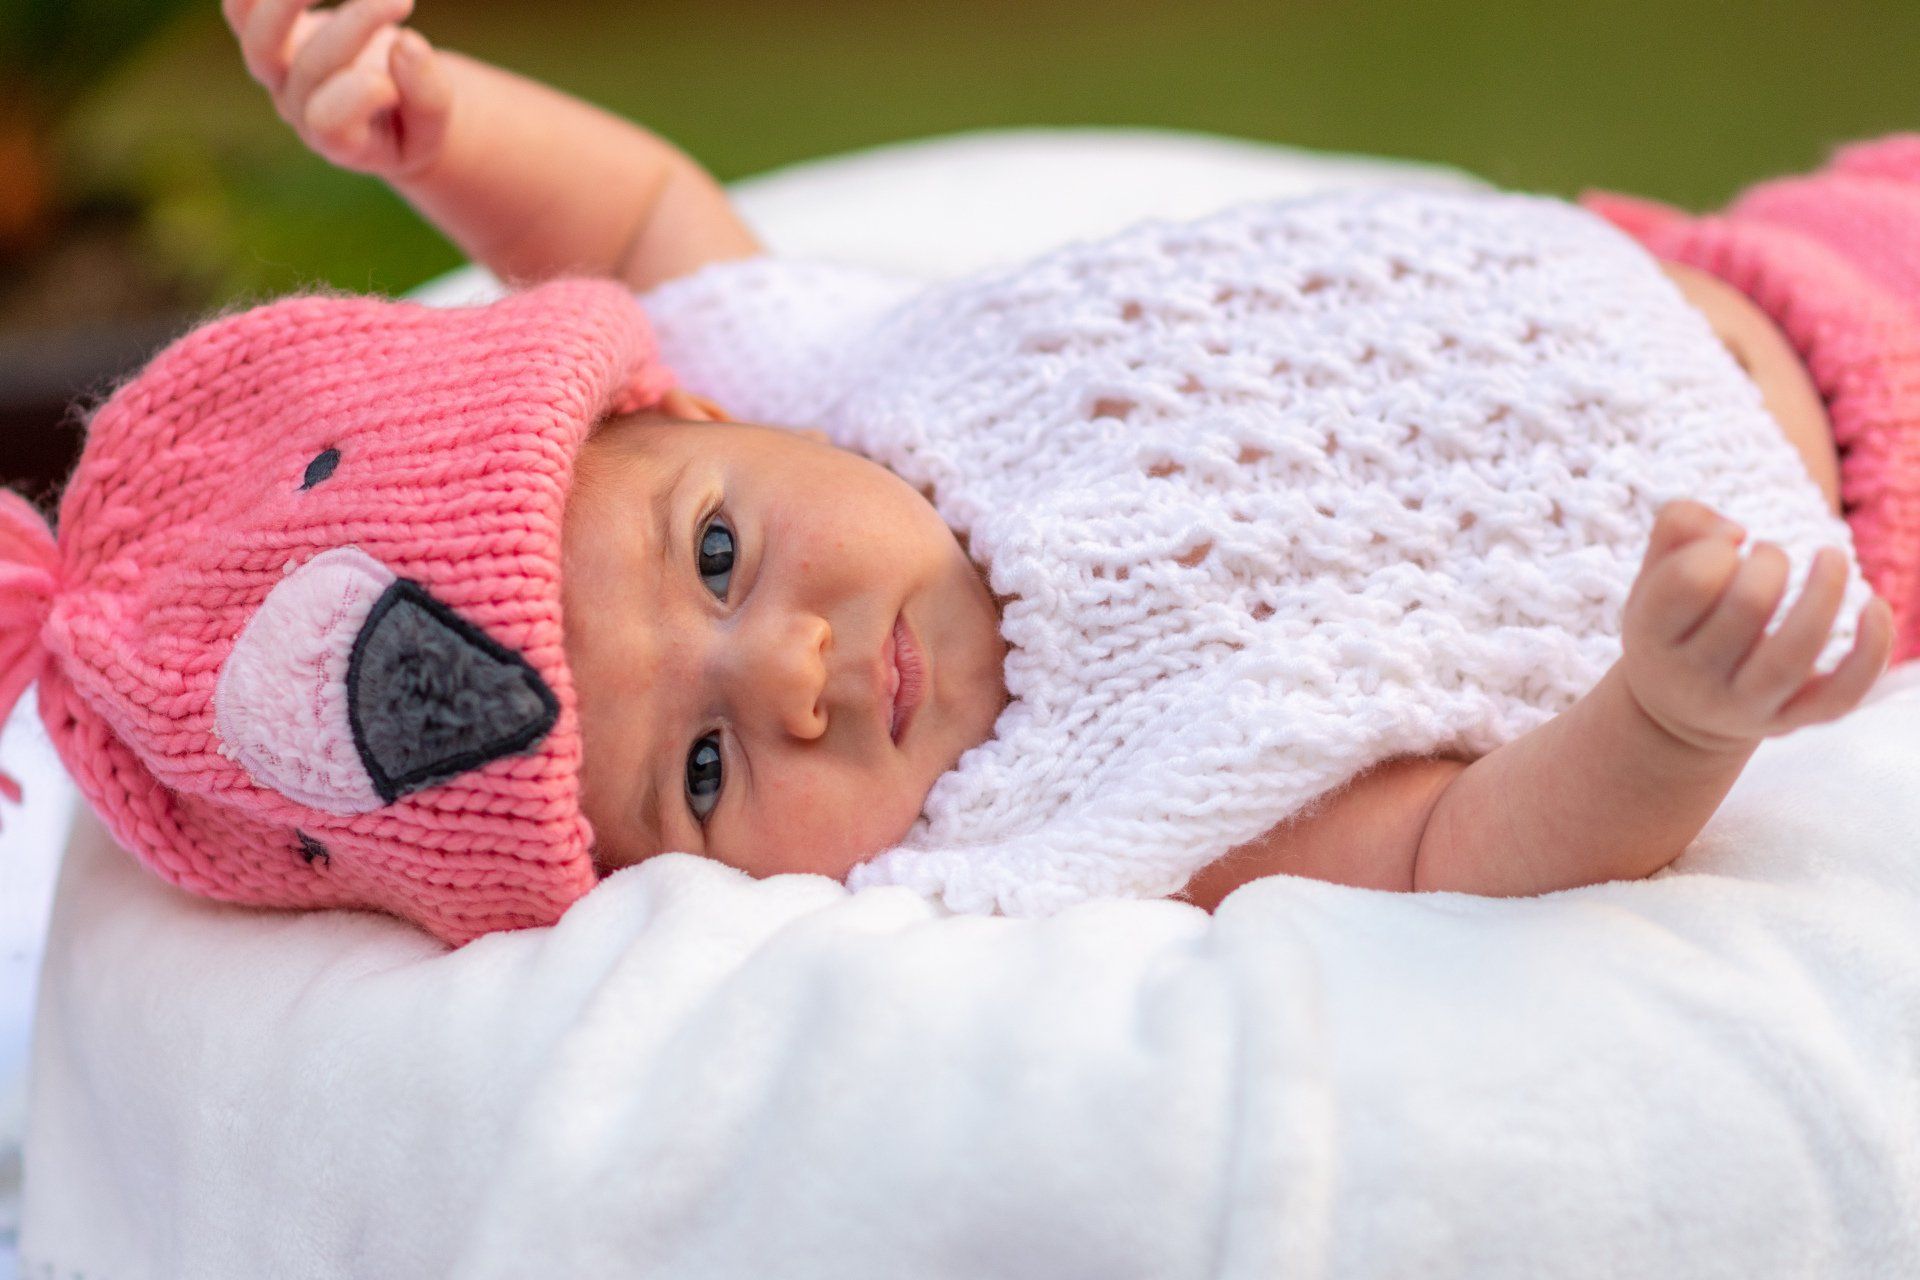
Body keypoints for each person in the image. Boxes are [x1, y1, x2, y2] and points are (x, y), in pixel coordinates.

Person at [0, 1, 1897, 947]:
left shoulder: (828, 376)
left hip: (1748, 252)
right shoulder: (1068, 824)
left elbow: (644, 212)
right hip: (1855, 499)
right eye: (707, 771)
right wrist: (1666, 710)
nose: (796, 672)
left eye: (722, 555)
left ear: (692, 410)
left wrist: (433, 125)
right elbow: (1448, 848)